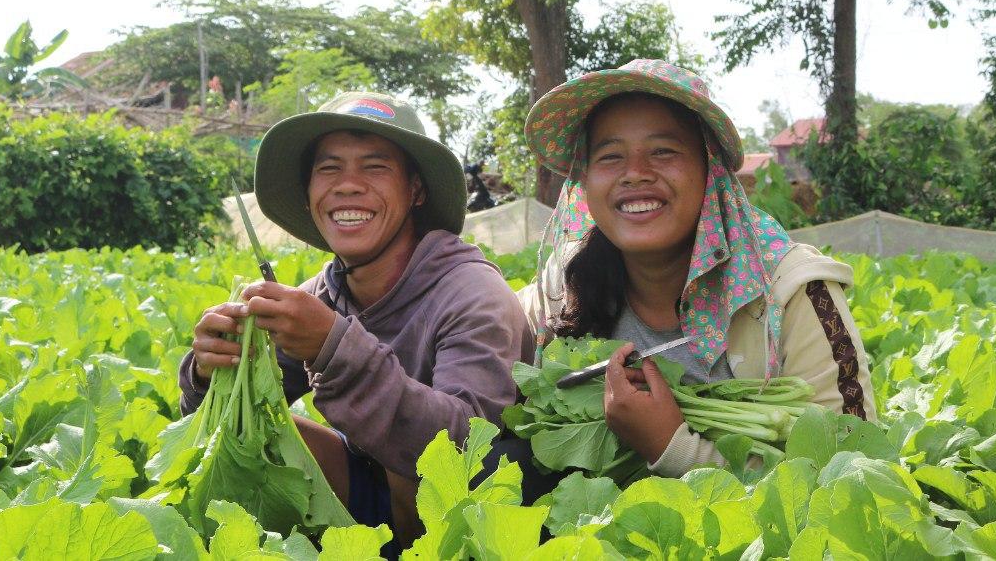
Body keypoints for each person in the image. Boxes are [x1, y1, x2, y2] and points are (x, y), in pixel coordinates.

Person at [179, 91, 534, 542]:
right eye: (329, 168)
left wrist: (332, 348)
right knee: (251, 443)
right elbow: (214, 428)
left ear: (416, 190)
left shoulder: (474, 294)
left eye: (375, 166)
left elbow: (467, 448)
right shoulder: (325, 291)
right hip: (374, 496)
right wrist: (212, 372)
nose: (347, 184)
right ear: (309, 194)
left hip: (473, 525)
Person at [519, 59, 876, 477]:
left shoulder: (791, 291)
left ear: (711, 170)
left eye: (663, 151)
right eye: (610, 156)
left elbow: (855, 474)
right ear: (585, 181)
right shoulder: (561, 288)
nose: (635, 173)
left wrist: (673, 448)